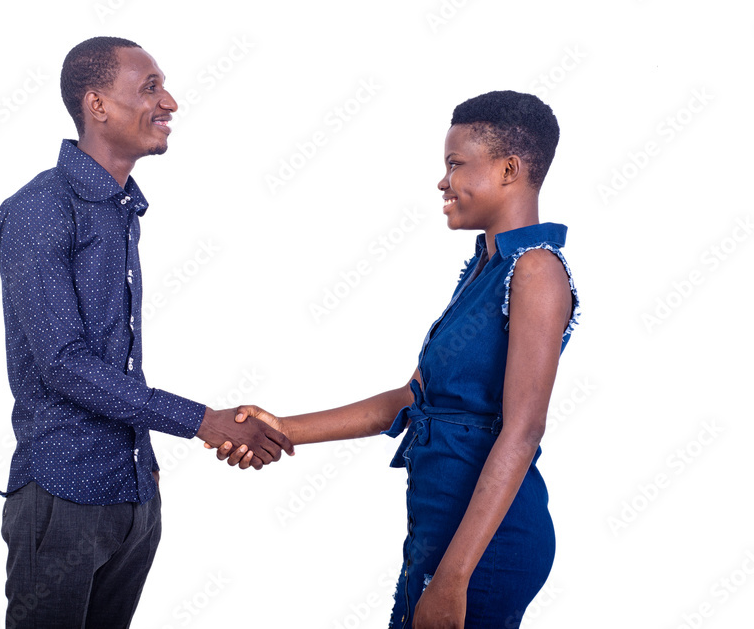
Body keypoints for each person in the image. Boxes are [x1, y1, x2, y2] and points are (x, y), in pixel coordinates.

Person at [210, 90, 579, 628]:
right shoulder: (484, 269)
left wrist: (452, 580)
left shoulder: (536, 270)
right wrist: (281, 427)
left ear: (509, 169)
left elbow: (522, 431)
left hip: (485, 549)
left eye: (456, 164)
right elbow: (409, 400)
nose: (443, 181)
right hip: (440, 530)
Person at [0, 36, 293, 629]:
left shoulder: (121, 207)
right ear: (97, 104)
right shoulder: (39, 208)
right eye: (150, 87)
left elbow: (116, 357)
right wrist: (202, 420)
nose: (169, 101)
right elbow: (64, 364)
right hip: (61, 492)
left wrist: (144, 464)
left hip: (132, 494)